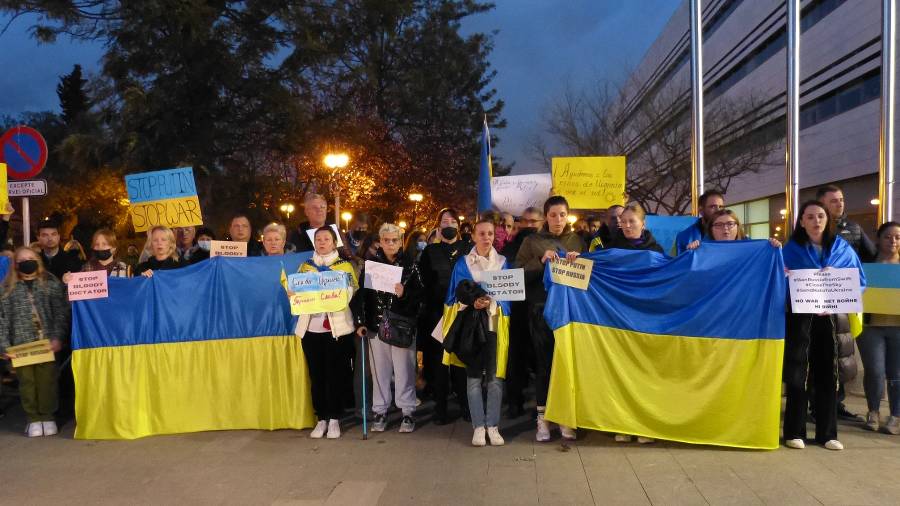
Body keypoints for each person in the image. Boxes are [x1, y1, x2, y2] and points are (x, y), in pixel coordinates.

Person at [782, 200, 865, 451]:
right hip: (800, 318)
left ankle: (827, 433)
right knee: (798, 374)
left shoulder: (843, 249)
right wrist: (785, 276)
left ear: (828, 220)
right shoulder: (791, 249)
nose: (816, 221)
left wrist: (840, 284)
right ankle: (794, 432)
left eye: (820, 216)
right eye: (810, 217)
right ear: (801, 221)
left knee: (829, 374)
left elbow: (860, 281)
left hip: (831, 320)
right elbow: (775, 279)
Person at [516, 196, 585, 442]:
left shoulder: (577, 240)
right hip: (541, 309)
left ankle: (566, 417)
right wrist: (540, 261)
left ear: (568, 216)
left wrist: (582, 262)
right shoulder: (531, 241)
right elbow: (517, 274)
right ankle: (543, 419)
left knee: (566, 364)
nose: (558, 220)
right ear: (546, 216)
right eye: (553, 215)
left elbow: (591, 274)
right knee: (544, 365)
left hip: (571, 313)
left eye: (562, 215)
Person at [442, 219, 511, 446]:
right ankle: (478, 426)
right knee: (473, 379)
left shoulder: (502, 262)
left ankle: (493, 425)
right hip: (471, 327)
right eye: (481, 233)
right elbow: (453, 296)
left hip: (493, 324)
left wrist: (492, 303)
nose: (486, 237)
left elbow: (509, 297)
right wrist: (473, 302)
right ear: (473, 236)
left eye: (490, 233)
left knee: (494, 378)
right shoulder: (462, 264)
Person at [353, 223, 423, 433]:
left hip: (402, 325)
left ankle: (408, 411)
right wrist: (361, 322)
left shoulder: (411, 264)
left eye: (394, 240)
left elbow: (421, 296)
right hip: (376, 325)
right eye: (386, 240)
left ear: (400, 241)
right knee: (379, 371)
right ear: (380, 242)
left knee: (404, 370)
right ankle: (380, 410)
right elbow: (362, 296)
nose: (390, 244)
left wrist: (405, 294)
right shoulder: (371, 265)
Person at [291, 226, 358, 439]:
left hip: (336, 329)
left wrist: (326, 292)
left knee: (335, 375)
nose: (321, 243)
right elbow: (298, 294)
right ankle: (321, 418)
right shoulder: (305, 267)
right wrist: (292, 292)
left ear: (334, 242)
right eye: (318, 239)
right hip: (311, 329)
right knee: (317, 375)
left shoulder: (344, 267)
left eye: (326, 239)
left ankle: (335, 419)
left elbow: (348, 294)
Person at [816, 184, 876, 421]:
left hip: (843, 304)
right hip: (815, 304)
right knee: (819, 356)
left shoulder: (854, 229)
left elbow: (872, 259)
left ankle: (836, 404)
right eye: (833, 201)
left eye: (841, 199)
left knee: (841, 354)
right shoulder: (809, 229)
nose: (839, 204)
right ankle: (816, 405)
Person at [0, 247, 70, 437]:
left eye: (30, 258)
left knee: (47, 381)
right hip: (20, 346)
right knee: (27, 383)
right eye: (22, 259)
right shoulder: (6, 289)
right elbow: (2, 319)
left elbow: (61, 313)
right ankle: (33, 418)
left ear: (37, 261)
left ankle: (47, 416)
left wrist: (58, 337)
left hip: (46, 344)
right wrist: (4, 345)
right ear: (15, 264)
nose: (27, 262)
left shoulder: (50, 284)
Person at [418, 208, 472, 424]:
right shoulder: (430, 252)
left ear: (458, 226)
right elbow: (424, 282)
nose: (448, 224)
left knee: (461, 363)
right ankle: (441, 408)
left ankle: (466, 405)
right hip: (437, 314)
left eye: (452, 221)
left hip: (462, 313)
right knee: (440, 363)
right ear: (438, 226)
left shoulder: (468, 249)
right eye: (444, 221)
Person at [857, 221, 900, 435]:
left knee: (896, 373)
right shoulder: (866, 265)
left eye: (897, 237)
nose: (893, 241)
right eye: (888, 237)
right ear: (879, 239)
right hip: (871, 327)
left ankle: (895, 416)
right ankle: (873, 411)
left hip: (898, 329)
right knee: (874, 370)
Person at [500, 206, 543, 418]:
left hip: (541, 310)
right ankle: (514, 402)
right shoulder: (510, 249)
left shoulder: (548, 246)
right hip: (516, 310)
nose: (529, 225)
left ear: (541, 222)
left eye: (534, 221)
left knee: (541, 359)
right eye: (526, 221)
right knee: (514, 359)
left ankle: (542, 405)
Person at [684, 209, 782, 250]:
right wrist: (690, 255)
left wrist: (773, 248)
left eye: (730, 224)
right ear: (711, 229)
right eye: (719, 225)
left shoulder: (752, 249)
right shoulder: (701, 249)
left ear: (737, 226)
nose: (725, 228)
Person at [674, 190, 726, 254]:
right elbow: (674, 262)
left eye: (721, 207)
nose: (718, 210)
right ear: (701, 210)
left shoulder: (734, 231)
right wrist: (689, 255)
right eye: (712, 207)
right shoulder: (683, 237)